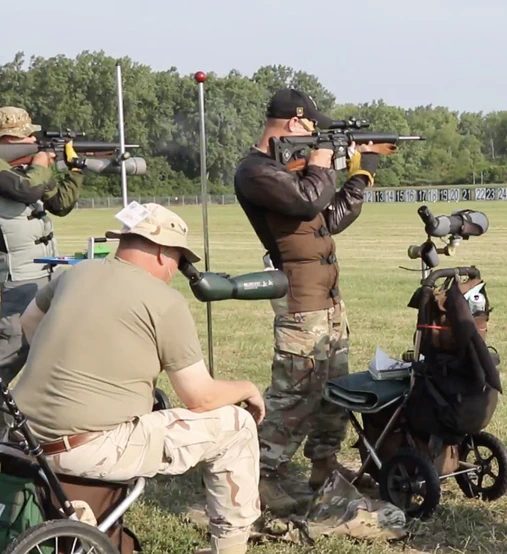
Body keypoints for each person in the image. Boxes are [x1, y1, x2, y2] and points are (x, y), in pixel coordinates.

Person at [12, 203, 264, 554]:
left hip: (22, 437)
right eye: (179, 259)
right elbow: (200, 397)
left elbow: (28, 323)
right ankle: (230, 547)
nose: (177, 269)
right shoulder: (164, 301)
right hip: (87, 447)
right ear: (163, 253)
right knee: (235, 426)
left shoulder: (75, 273)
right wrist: (247, 388)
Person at [233, 88, 385, 516]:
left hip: (327, 298)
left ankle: (324, 466)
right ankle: (261, 475)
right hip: (301, 300)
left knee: (334, 390)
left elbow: (329, 217)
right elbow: (309, 199)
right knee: (295, 393)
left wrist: (361, 175)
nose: (315, 135)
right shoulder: (256, 171)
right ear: (295, 123)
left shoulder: (293, 171)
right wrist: (322, 165)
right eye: (312, 127)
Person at [0, 106, 83, 384]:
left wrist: (74, 170)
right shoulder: (13, 172)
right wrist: (41, 161)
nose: (31, 141)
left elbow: (59, 204)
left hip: (42, 276)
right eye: (25, 137)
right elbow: (26, 189)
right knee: (10, 352)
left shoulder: (26, 169)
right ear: (7, 140)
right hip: (13, 281)